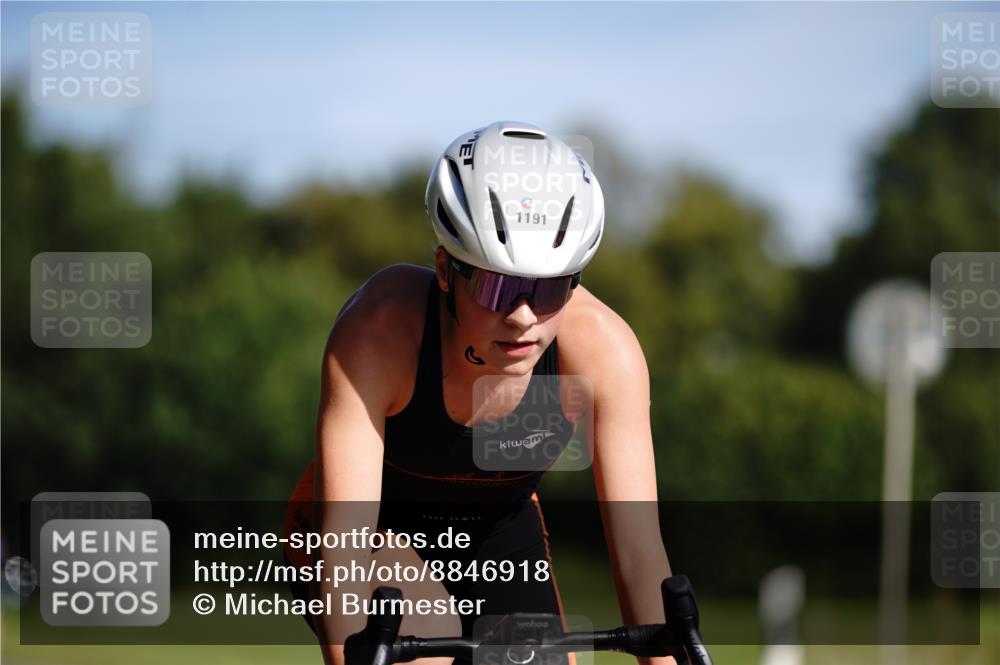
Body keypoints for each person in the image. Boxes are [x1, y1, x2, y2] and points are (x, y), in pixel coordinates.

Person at [283, 121, 674, 665]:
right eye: (497, 286)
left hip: (498, 529)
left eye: (548, 288)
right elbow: (344, 543)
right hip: (370, 529)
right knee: (426, 641)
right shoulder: (381, 333)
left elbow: (639, 554)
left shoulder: (604, 352)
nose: (522, 317)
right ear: (446, 269)